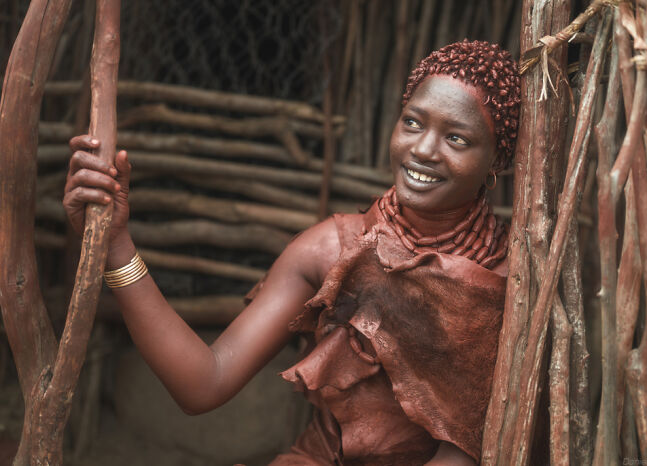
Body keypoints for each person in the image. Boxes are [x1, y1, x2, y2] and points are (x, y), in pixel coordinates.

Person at [63, 39, 520, 465]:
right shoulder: (331, 250)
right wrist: (116, 246)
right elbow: (203, 383)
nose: (422, 149)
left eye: (456, 138)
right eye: (413, 122)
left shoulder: (511, 280)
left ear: (497, 160)